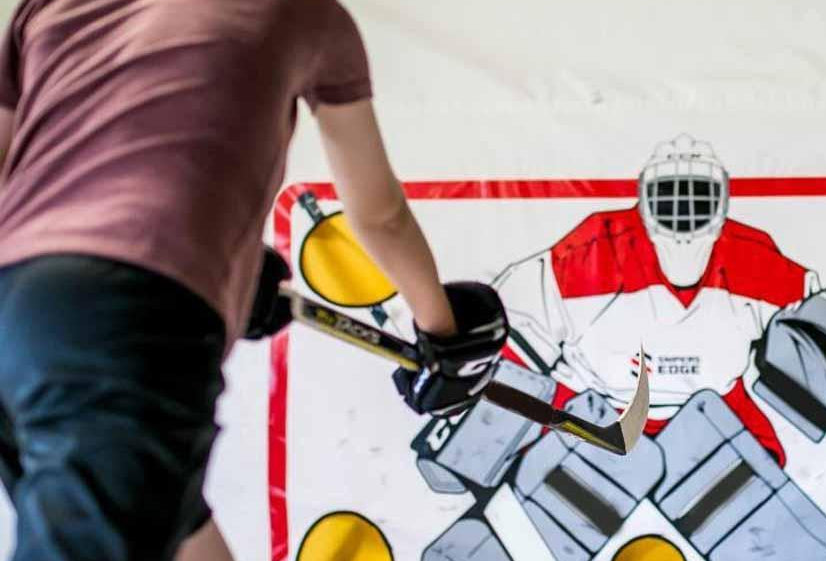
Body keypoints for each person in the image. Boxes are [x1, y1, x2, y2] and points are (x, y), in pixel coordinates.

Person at [0, 1, 507, 560]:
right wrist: (446, 334)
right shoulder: (308, 15)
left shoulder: (51, 6)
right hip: (132, 316)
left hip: (18, 304)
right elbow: (380, 216)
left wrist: (231, 268)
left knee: (182, 536)